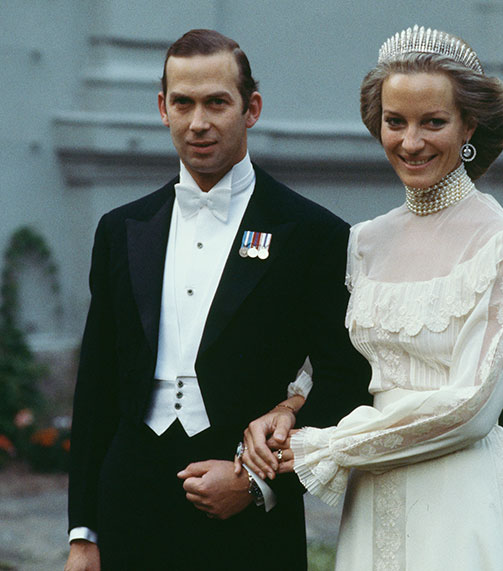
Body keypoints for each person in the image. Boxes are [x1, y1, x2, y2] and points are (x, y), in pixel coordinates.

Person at [238, 25, 503, 570]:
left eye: (433, 122)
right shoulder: (364, 242)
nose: (411, 142)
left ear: (468, 125)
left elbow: (471, 408)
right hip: (374, 494)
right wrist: (290, 407)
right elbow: (344, 360)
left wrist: (326, 448)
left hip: (460, 499)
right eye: (395, 122)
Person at [64, 29, 370, 571]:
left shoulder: (313, 233)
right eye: (183, 103)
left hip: (244, 513)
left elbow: (345, 380)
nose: (198, 122)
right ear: (162, 108)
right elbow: (96, 387)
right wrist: (84, 533)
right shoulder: (121, 229)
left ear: (250, 109)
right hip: (129, 501)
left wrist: (258, 484)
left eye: (216, 103)